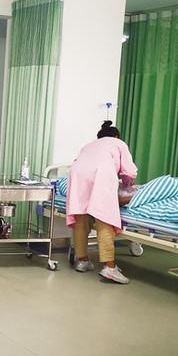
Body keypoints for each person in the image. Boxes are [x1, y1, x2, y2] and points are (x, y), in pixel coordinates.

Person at [66, 120, 138, 284]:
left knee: (81, 218)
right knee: (104, 218)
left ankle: (83, 260)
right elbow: (130, 172)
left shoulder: (89, 146)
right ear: (116, 136)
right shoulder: (119, 143)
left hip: (77, 175)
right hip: (100, 175)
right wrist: (127, 184)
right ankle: (109, 267)